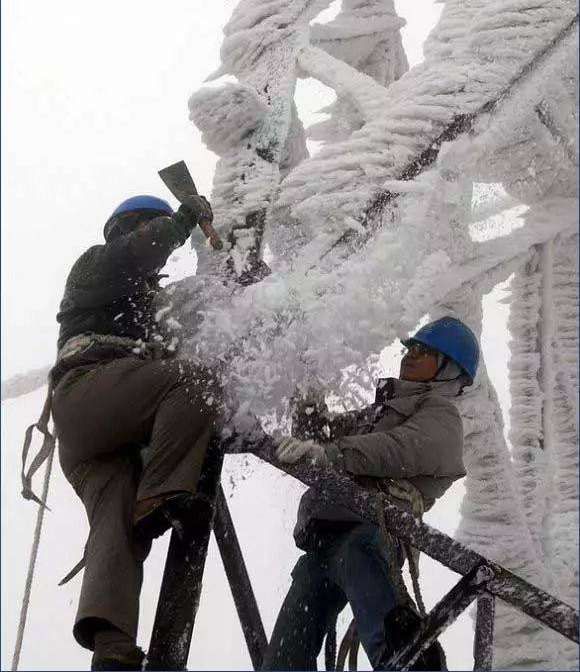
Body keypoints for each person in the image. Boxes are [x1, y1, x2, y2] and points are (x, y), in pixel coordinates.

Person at [50, 192, 225, 671]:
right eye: (151, 228)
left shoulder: (153, 305)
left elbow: (209, 301)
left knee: (117, 530)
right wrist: (185, 219)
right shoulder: (96, 266)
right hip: (89, 391)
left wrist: (237, 277)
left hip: (97, 434)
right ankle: (163, 493)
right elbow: (139, 251)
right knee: (195, 379)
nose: (160, 241)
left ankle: (112, 651)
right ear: (126, 229)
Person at [263, 316, 480, 671]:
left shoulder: (441, 415)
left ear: (448, 369)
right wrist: (303, 378)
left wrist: (330, 454)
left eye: (423, 350)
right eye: (410, 347)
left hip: (370, 531)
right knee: (290, 645)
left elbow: (399, 448)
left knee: (363, 561)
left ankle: (406, 659)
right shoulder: (383, 411)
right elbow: (320, 435)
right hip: (327, 540)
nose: (410, 354)